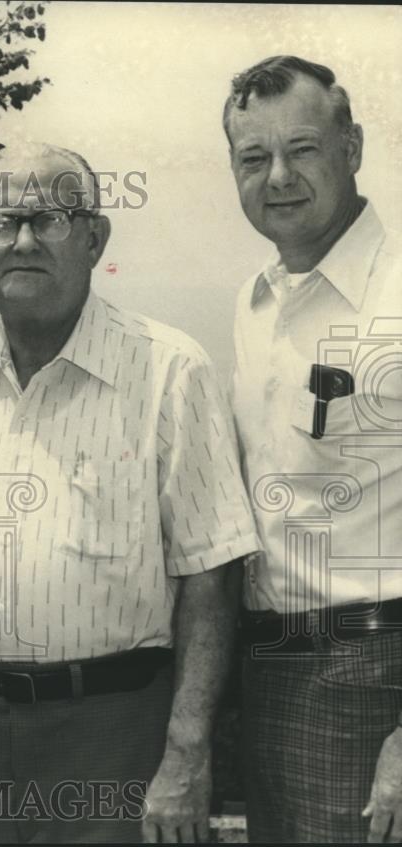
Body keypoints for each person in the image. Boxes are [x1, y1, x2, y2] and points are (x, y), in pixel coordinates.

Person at [0, 142, 261, 843]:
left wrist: (186, 747)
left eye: (51, 219)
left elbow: (212, 570)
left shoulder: (170, 370)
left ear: (95, 237)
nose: (24, 240)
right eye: (2, 223)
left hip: (112, 732)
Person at [226, 54, 402, 843]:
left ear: (353, 146)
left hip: (374, 673)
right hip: (265, 672)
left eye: (302, 148)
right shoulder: (254, 302)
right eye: (253, 158)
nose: (280, 177)